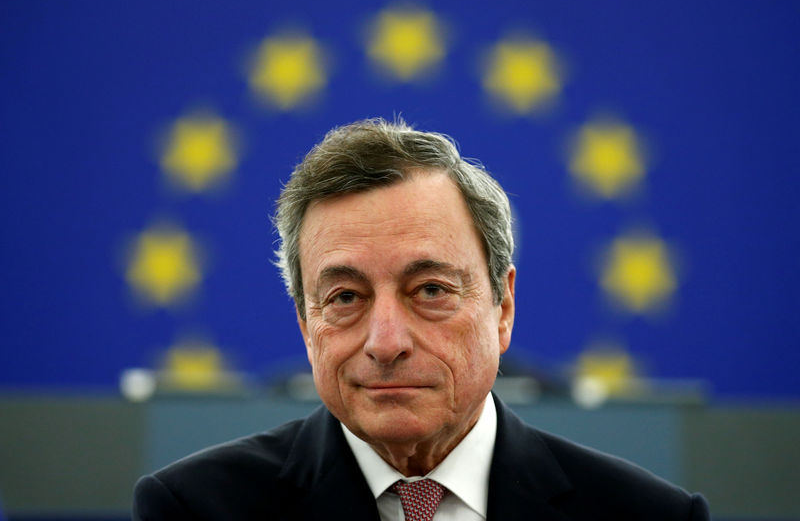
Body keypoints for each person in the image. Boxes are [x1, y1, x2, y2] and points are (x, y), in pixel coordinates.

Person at [133, 118, 710, 520]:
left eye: (429, 290)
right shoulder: (194, 508)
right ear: (307, 328)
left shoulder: (646, 515)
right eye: (344, 298)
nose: (385, 342)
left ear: (502, 309)